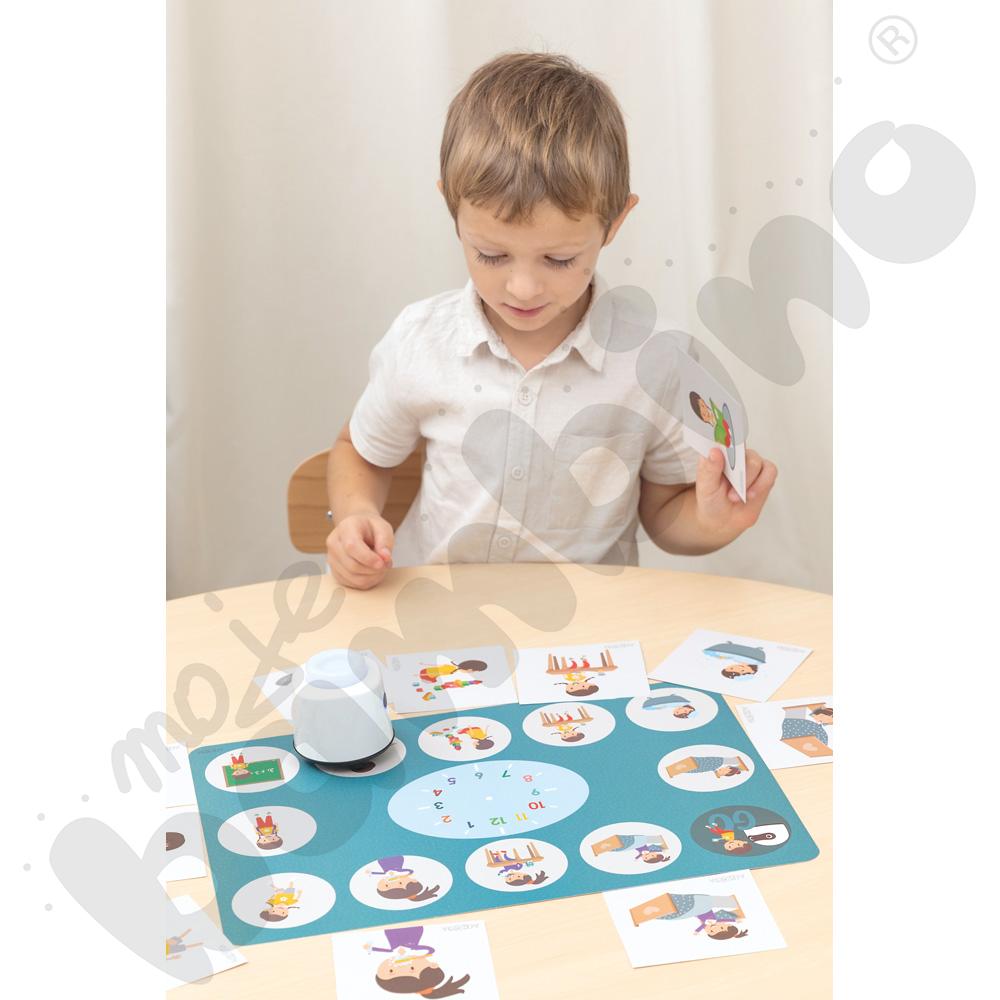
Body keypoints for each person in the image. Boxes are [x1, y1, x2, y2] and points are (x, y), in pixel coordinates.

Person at [324, 51, 777, 589]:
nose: (522, 287)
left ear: (614, 223)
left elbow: (663, 515)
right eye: (491, 254)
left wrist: (710, 521)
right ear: (453, 211)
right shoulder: (422, 340)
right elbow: (361, 452)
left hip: (588, 625)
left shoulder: (655, 360)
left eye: (559, 260)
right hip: (437, 616)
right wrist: (356, 515)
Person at [365, 926, 471, 996]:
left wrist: (370, 948)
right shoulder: (419, 950)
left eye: (391, 971)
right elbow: (429, 950)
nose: (401, 967)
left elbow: (378, 948)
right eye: (412, 969)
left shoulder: (394, 952)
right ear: (433, 965)